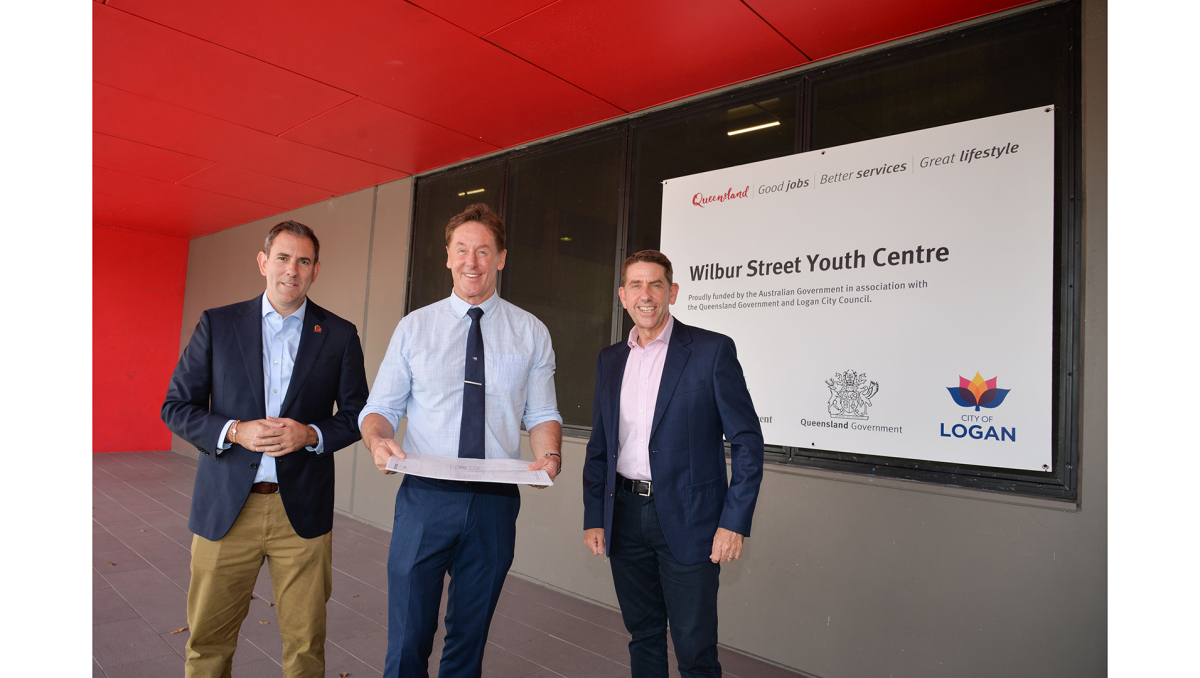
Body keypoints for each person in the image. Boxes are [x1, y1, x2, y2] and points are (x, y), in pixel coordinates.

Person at [359, 203, 563, 678]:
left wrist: (549, 456)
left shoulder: (531, 332)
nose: (472, 261)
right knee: (409, 637)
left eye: (484, 251)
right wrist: (378, 442)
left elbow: (543, 413)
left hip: (494, 504)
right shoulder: (414, 327)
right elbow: (380, 410)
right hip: (425, 500)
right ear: (447, 257)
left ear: (501, 258)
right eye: (462, 250)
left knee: (469, 639)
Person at [161, 221, 369, 678]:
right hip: (226, 512)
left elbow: (357, 415)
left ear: (316, 271)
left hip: (302, 515)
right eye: (282, 257)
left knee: (305, 647)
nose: (291, 270)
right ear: (263, 262)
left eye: (303, 261)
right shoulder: (218, 324)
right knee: (208, 643)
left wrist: (310, 435)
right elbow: (176, 407)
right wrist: (234, 430)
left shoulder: (338, 334)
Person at [582, 249, 764, 678]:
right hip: (624, 516)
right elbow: (600, 446)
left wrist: (733, 522)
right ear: (623, 296)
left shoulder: (711, 351)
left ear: (673, 292)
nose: (647, 295)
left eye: (656, 285)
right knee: (642, 635)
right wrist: (595, 515)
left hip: (692, 519)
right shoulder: (610, 360)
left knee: (694, 646)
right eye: (637, 286)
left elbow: (748, 442)